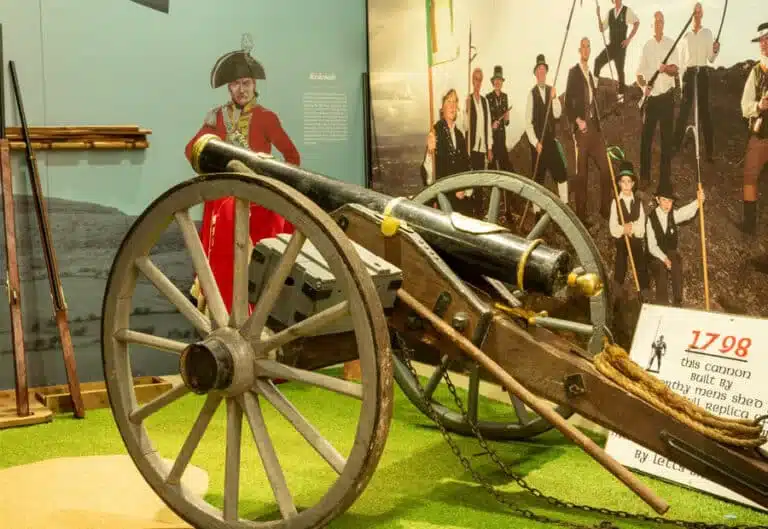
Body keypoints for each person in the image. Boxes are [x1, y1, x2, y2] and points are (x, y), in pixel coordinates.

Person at [184, 40, 300, 313]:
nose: (242, 89)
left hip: (260, 203)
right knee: (223, 246)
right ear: (229, 87)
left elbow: (292, 157)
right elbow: (193, 150)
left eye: (246, 82)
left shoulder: (267, 118)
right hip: (225, 200)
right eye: (236, 84)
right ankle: (219, 304)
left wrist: (271, 172)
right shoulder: (216, 118)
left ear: (254, 85)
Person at [565, 37, 613, 224]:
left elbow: (596, 103)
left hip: (594, 129)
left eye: (588, 46)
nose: (586, 49)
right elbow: (568, 103)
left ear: (590, 50)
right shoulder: (574, 72)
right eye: (583, 46)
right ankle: (581, 217)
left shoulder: (592, 75)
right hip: (582, 131)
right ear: (579, 50)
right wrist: (578, 121)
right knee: (582, 174)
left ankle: (605, 210)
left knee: (606, 168)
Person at [636, 10, 679, 190]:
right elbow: (638, 74)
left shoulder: (671, 44)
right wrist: (643, 87)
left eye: (661, 21)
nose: (659, 24)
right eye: (656, 22)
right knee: (646, 139)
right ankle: (644, 178)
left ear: (664, 23)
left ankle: (664, 183)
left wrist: (665, 68)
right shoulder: (646, 46)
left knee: (666, 142)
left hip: (667, 99)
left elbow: (675, 69)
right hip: (652, 100)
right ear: (652, 25)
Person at [672, 2, 720, 162]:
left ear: (702, 14)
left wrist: (715, 50)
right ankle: (674, 147)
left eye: (700, 12)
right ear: (691, 14)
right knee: (684, 112)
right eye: (695, 12)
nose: (697, 15)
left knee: (704, 112)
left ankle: (709, 152)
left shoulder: (707, 33)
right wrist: (679, 82)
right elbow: (680, 62)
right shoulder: (685, 36)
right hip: (688, 75)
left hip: (702, 74)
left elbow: (711, 59)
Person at [645, 180, 704, 307]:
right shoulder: (651, 219)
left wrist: (698, 202)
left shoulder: (672, 215)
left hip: (669, 252)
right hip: (655, 255)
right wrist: (664, 259)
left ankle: (678, 300)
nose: (667, 204)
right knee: (661, 270)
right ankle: (662, 303)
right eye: (664, 200)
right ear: (657, 199)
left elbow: (685, 213)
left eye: (670, 201)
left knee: (676, 261)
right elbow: (651, 246)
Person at [525, 54, 569, 210]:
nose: (542, 73)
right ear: (536, 73)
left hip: (550, 141)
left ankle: (565, 207)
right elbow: (527, 124)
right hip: (538, 144)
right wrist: (535, 142)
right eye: (539, 70)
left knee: (562, 174)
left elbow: (557, 114)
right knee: (537, 179)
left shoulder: (552, 90)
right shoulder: (532, 94)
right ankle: (536, 212)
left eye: (544, 70)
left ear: (546, 72)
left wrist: (555, 97)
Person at [739, 22, 768, 236]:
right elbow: (744, 106)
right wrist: (758, 106)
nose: (764, 44)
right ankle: (749, 226)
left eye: (767, 39)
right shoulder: (756, 72)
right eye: (761, 41)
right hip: (760, 135)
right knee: (749, 177)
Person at [608, 161, 650, 296]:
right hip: (621, 238)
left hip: (635, 237)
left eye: (629, 182)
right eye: (623, 182)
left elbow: (641, 226)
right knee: (620, 257)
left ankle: (644, 288)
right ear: (619, 184)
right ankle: (617, 285)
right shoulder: (616, 202)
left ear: (633, 184)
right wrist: (622, 229)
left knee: (640, 258)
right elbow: (613, 227)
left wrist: (631, 229)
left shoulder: (638, 202)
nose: (626, 185)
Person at [422, 88, 471, 185]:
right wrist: (429, 153)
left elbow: (466, 165)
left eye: (455, 102)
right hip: (443, 195)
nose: (453, 106)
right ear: (442, 107)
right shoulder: (435, 132)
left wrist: (464, 189)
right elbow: (429, 177)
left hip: (460, 194)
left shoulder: (459, 135)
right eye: (449, 101)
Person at [594, 0, 640, 103]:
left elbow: (637, 23)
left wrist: (628, 39)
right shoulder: (610, 13)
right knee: (597, 61)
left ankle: (621, 95)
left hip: (621, 46)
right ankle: (594, 88)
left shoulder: (626, 11)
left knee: (620, 70)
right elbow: (602, 28)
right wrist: (598, 16)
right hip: (611, 46)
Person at [465, 67, 494, 170]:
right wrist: (467, 112)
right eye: (476, 79)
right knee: (472, 179)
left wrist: (489, 148)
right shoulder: (468, 99)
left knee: (480, 178)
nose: (478, 82)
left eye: (480, 79)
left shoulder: (485, 101)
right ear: (472, 80)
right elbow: (465, 126)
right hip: (471, 147)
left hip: (482, 148)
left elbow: (488, 126)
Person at [486, 66, 513, 172]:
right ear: (493, 82)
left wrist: (506, 119)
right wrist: (492, 126)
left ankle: (505, 189)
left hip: (502, 140)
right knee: (492, 170)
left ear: (502, 82)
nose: (498, 82)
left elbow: (506, 123)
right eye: (496, 80)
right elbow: (485, 121)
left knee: (506, 168)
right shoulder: (487, 97)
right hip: (492, 140)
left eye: (500, 80)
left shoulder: (505, 97)